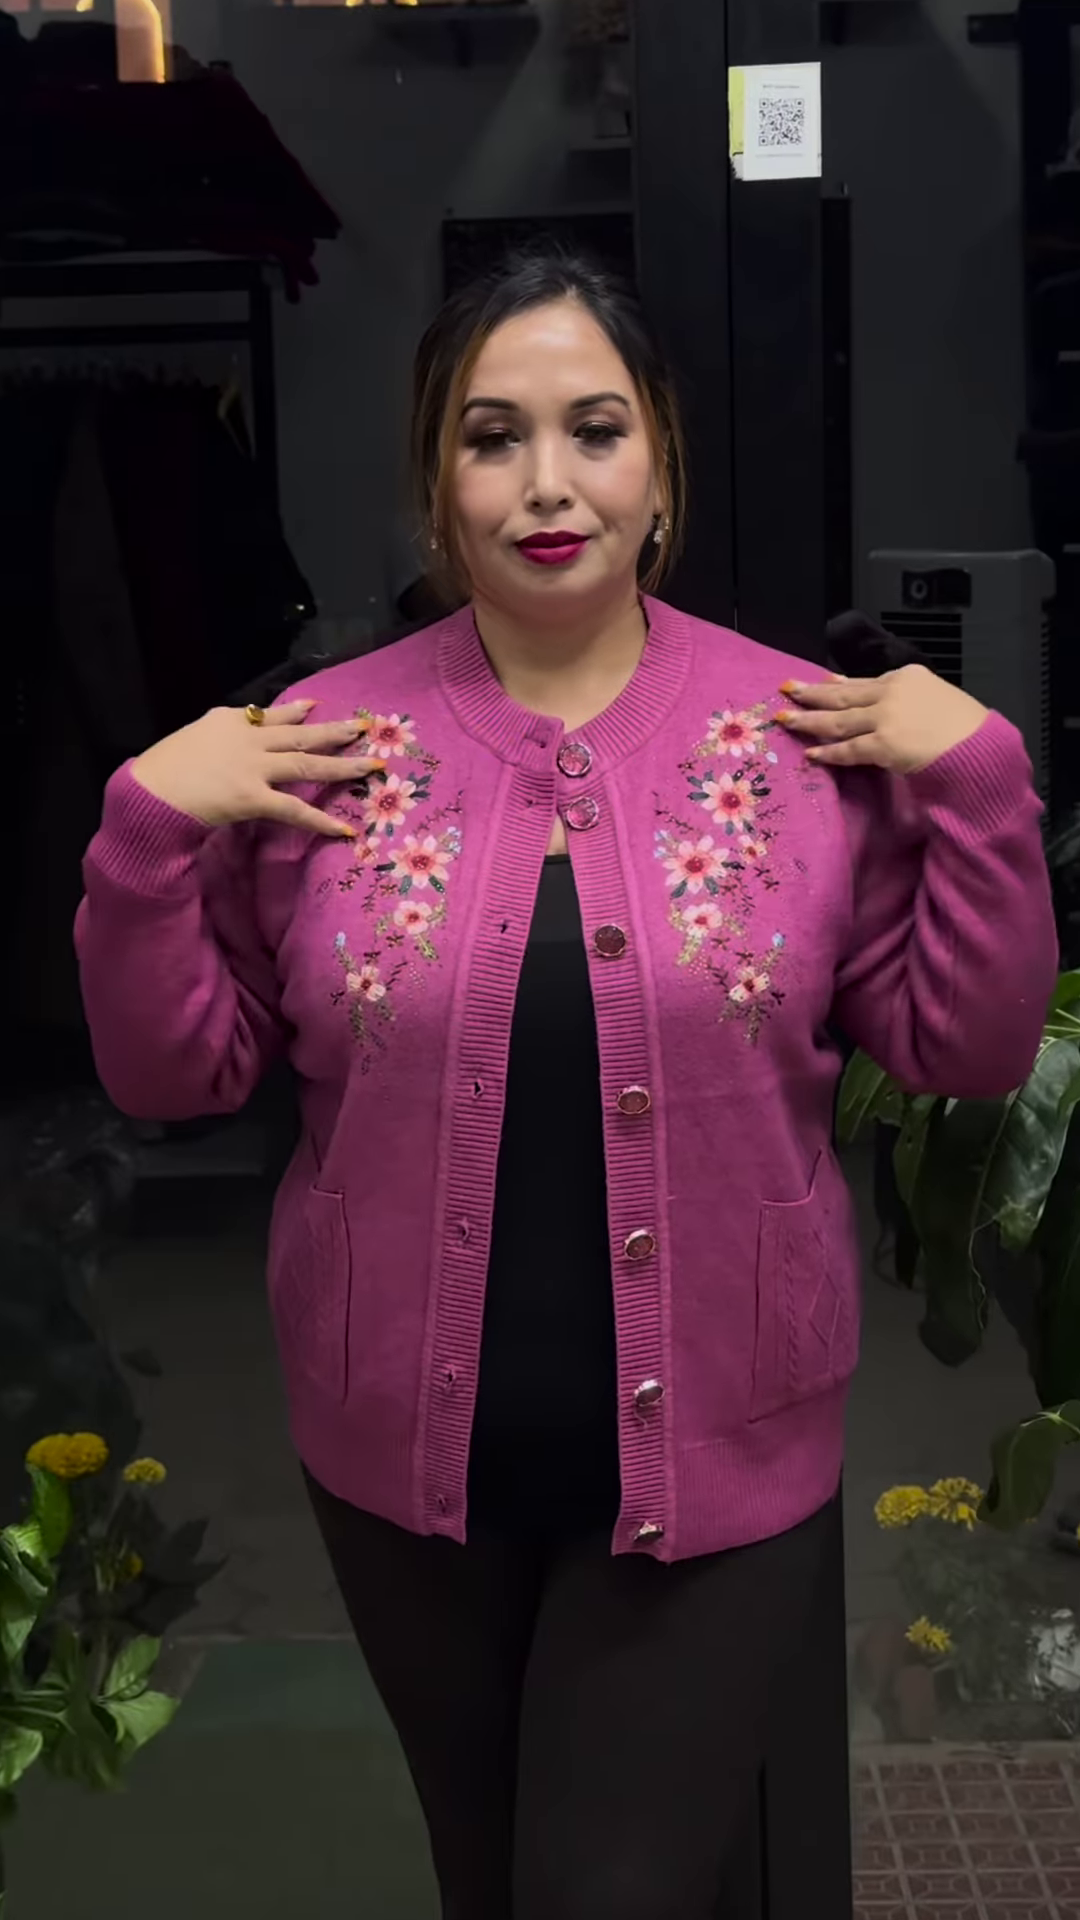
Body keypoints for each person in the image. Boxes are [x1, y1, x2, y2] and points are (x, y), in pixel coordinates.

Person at [76, 250, 1058, 1920]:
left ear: (661, 463)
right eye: (493, 437)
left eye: (595, 430)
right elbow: (177, 1073)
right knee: (488, 1883)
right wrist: (148, 829)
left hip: (722, 1452)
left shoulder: (796, 739)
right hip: (402, 1473)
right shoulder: (318, 745)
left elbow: (963, 1046)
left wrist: (981, 782)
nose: (548, 482)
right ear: (435, 483)